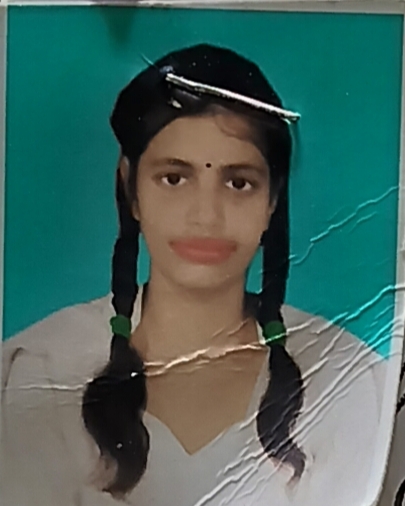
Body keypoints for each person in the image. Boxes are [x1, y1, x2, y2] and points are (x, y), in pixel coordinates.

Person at [1, 44, 385, 506]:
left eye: (238, 182)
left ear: (272, 200)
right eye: (174, 178)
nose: (206, 216)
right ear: (130, 187)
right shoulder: (40, 369)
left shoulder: (347, 380)